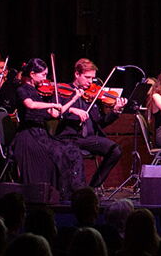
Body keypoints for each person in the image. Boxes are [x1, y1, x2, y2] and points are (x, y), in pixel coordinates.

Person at [13, 58, 86, 196]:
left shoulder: (37, 92)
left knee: (72, 151)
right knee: (57, 154)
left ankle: (76, 192)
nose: (46, 78)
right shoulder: (22, 89)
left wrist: (74, 99)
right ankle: (55, 193)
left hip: (42, 135)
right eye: (43, 74)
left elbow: (56, 113)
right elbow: (31, 105)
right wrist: (51, 104)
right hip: (28, 136)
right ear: (33, 74)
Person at [54, 58, 128, 187]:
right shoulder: (64, 92)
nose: (90, 82)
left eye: (92, 78)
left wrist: (115, 111)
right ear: (77, 74)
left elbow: (101, 123)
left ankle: (93, 187)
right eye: (87, 77)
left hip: (88, 138)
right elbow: (56, 113)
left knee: (115, 150)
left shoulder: (93, 96)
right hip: (70, 137)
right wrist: (72, 109)